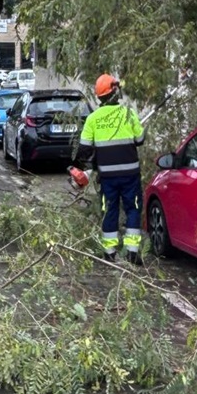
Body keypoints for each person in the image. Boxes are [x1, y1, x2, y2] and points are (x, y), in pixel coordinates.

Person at [70, 74, 146, 264]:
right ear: (114, 93)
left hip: (108, 177)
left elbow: (84, 151)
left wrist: (85, 170)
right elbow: (140, 140)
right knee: (133, 209)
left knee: (110, 210)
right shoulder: (129, 113)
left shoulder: (93, 119)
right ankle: (132, 251)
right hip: (130, 175)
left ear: (100, 97)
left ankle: (110, 252)